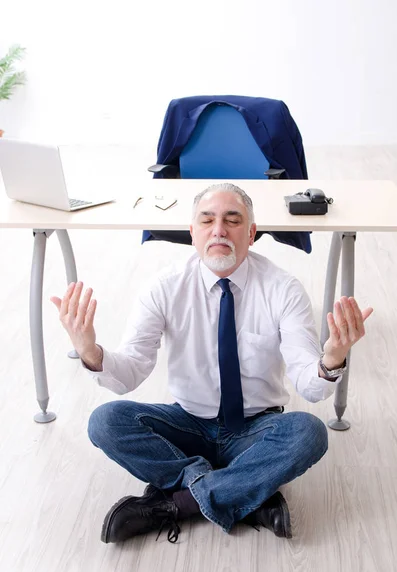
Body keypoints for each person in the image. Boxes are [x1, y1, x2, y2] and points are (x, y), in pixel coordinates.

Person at [51, 183, 373, 544]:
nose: (219, 229)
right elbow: (130, 372)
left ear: (251, 234)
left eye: (232, 220)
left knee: (309, 433)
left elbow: (309, 386)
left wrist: (331, 359)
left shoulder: (283, 289)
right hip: (189, 423)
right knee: (105, 422)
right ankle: (247, 492)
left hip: (255, 429)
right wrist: (91, 352)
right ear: (193, 233)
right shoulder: (164, 287)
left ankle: (176, 505)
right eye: (207, 220)